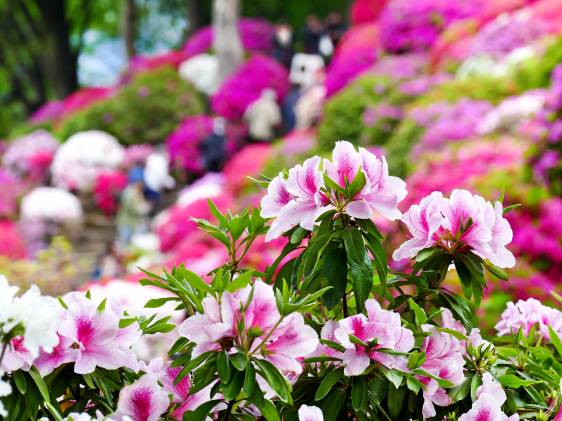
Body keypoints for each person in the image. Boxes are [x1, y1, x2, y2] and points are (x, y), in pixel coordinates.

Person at [116, 170, 151, 248]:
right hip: (126, 222)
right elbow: (132, 207)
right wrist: (143, 209)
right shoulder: (129, 192)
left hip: (133, 222)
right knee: (125, 243)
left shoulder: (137, 192)